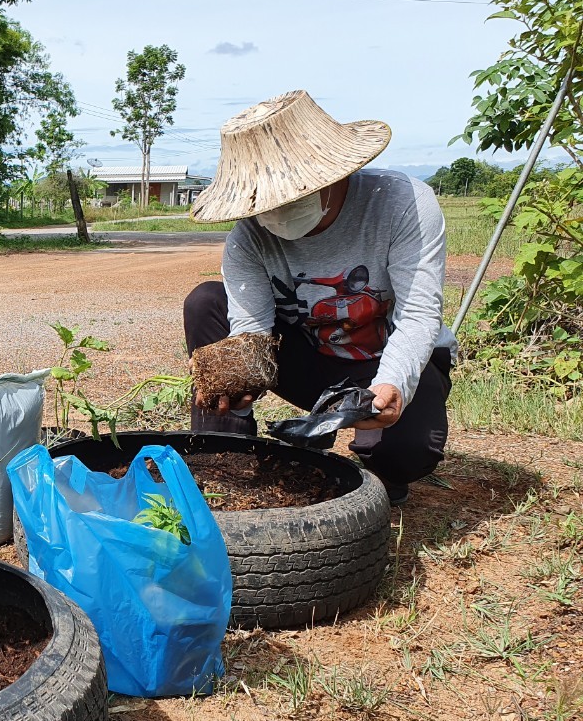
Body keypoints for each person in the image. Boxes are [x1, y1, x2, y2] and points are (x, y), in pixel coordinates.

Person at [182, 90, 455, 505]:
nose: (275, 211)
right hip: (312, 359)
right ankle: (224, 454)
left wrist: (392, 385)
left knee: (405, 453)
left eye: (291, 194)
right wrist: (235, 379)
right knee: (206, 302)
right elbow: (251, 333)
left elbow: (418, 315)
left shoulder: (401, 204)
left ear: (334, 172)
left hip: (386, 359)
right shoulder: (249, 238)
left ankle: (387, 465)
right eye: (263, 202)